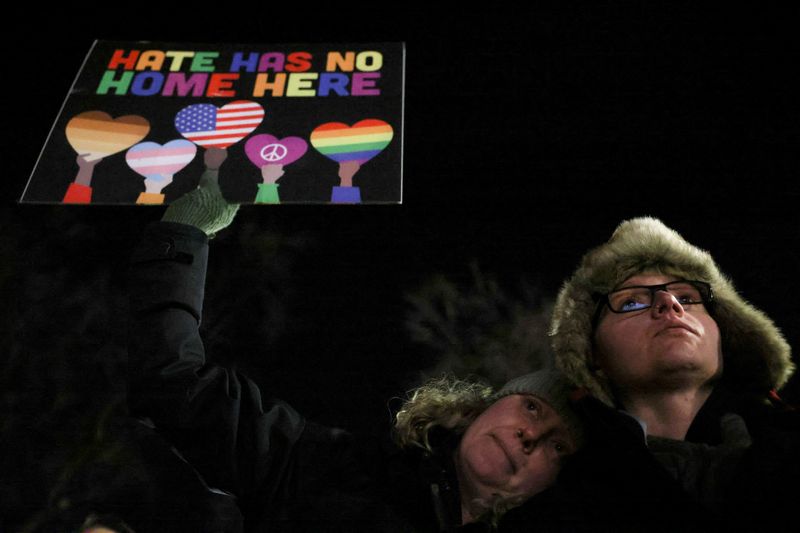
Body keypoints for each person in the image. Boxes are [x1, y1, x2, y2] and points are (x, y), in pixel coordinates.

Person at [126, 158, 583, 532]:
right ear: (483, 406)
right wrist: (183, 238)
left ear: (552, 484)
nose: (531, 436)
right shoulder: (327, 469)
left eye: (558, 446)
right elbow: (173, 387)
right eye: (532, 408)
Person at [506, 217, 798, 532]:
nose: (669, 303)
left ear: (726, 337)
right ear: (593, 356)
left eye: (687, 298)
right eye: (630, 302)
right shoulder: (556, 513)